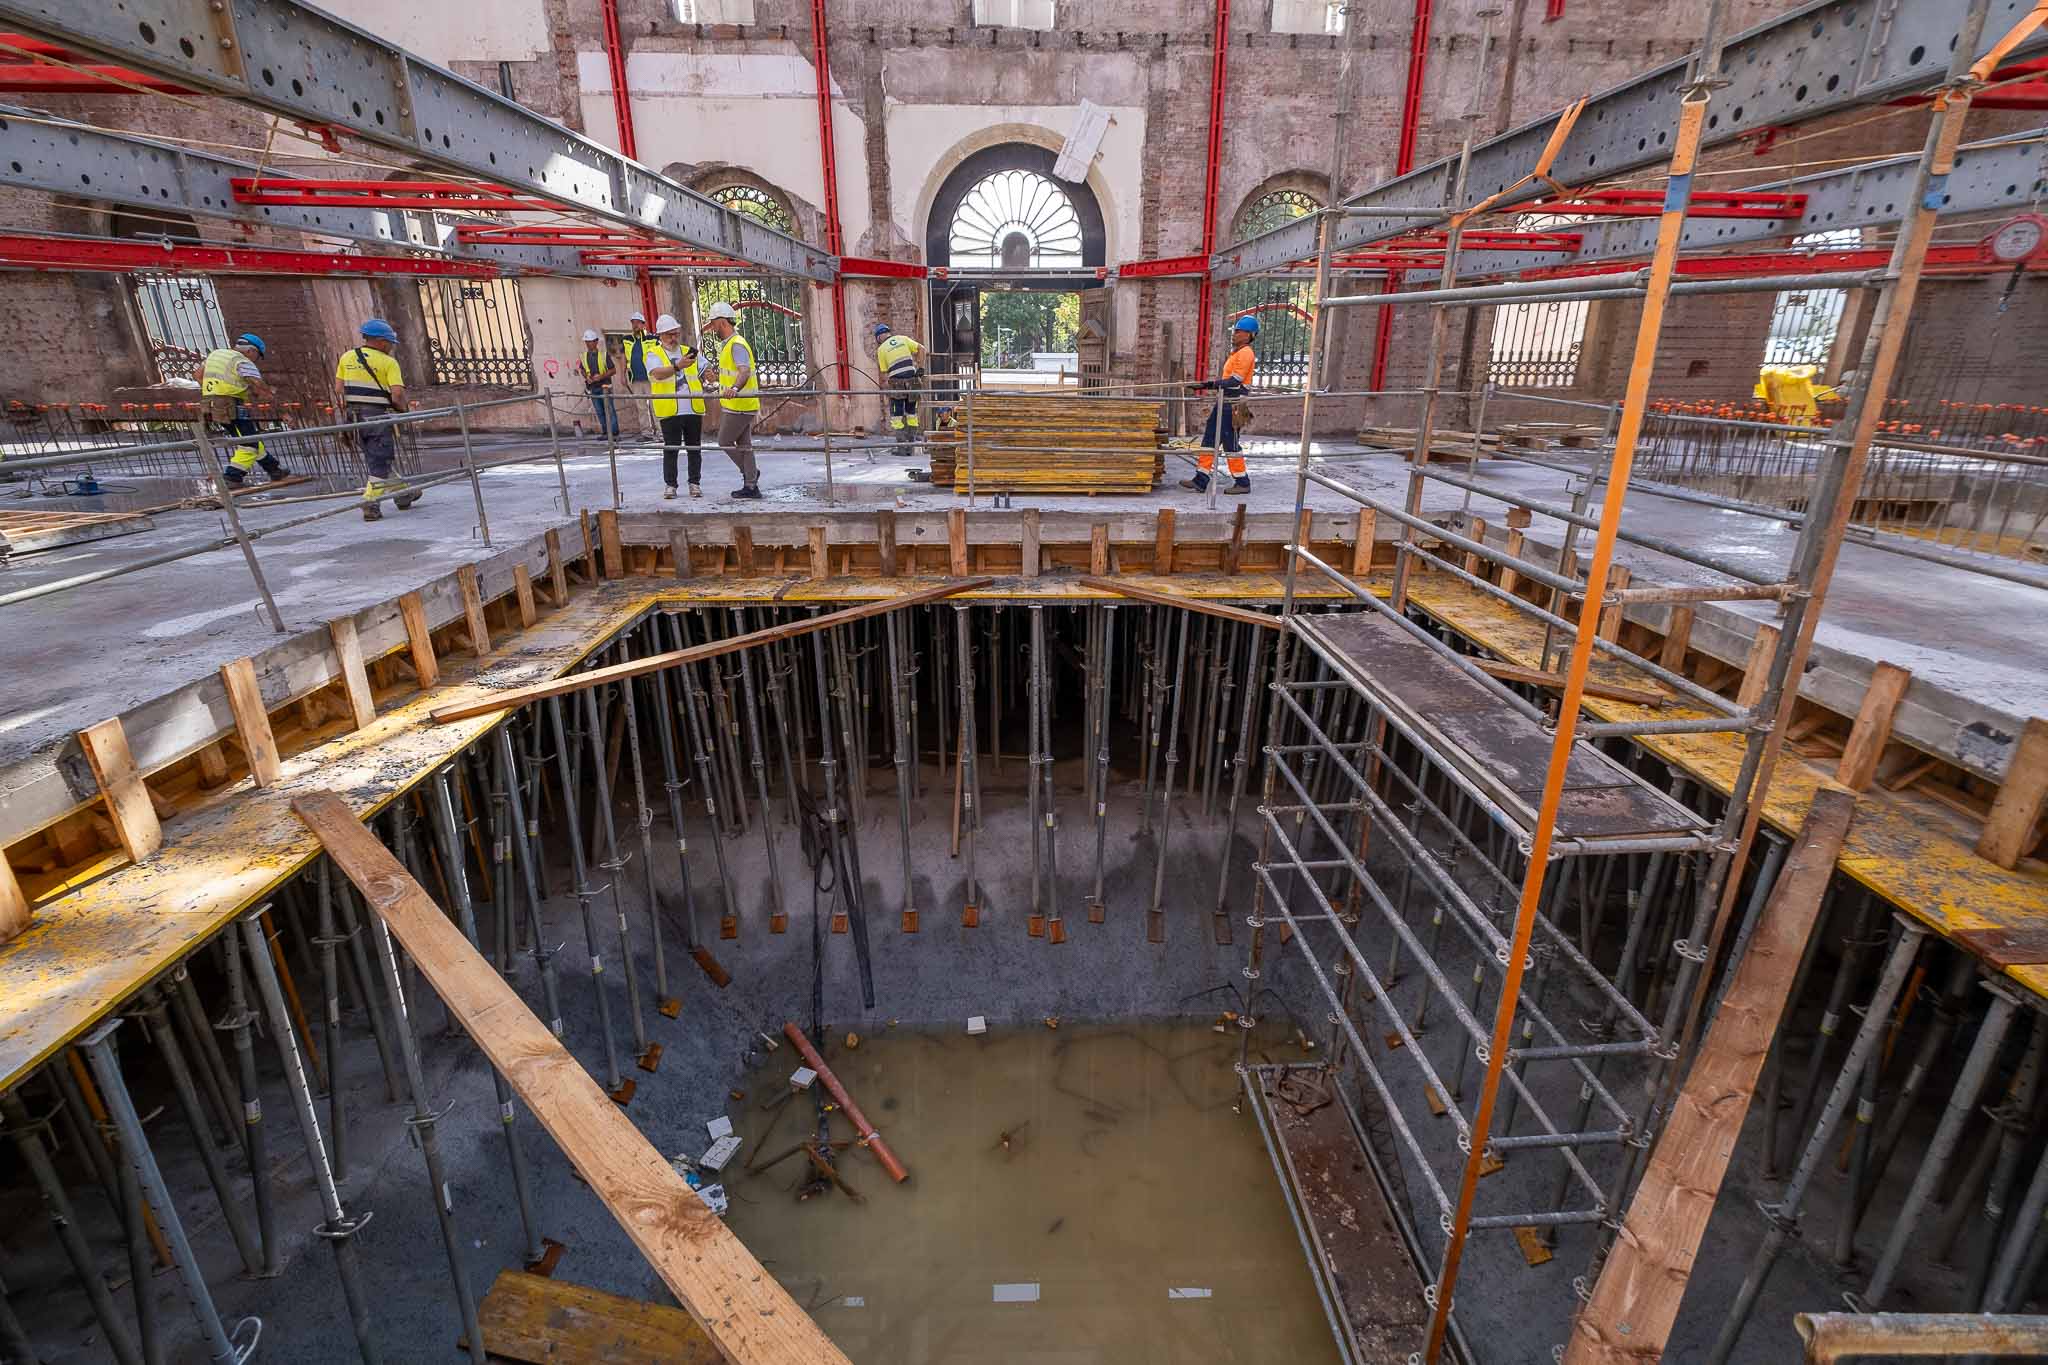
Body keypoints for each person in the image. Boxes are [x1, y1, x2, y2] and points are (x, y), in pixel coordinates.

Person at [335, 318, 414, 522]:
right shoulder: (388, 362)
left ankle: (404, 494)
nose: (390, 347)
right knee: (381, 460)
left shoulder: (346, 357)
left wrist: (343, 424)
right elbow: (397, 395)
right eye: (389, 343)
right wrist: (403, 412)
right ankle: (370, 502)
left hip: (353, 418)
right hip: (377, 417)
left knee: (376, 459)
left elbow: (338, 391)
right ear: (380, 341)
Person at [198, 332, 291, 486]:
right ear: (251, 351)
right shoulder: (242, 362)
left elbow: (198, 375)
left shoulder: (215, 355)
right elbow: (261, 388)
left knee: (249, 437)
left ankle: (273, 469)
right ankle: (232, 476)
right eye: (257, 355)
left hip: (210, 404)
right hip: (230, 406)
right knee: (248, 443)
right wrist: (283, 412)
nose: (256, 359)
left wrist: (217, 391)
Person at [1181, 315, 1259, 495]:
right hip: (1223, 402)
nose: (1235, 334)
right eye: (1235, 331)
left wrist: (1209, 384)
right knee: (1209, 439)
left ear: (1249, 335)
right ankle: (1200, 480)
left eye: (1239, 332)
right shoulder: (1236, 353)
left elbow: (1235, 381)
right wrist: (1209, 385)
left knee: (1230, 443)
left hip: (1233, 405)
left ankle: (1242, 481)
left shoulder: (1246, 353)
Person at [700, 301, 762, 499]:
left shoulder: (736, 344)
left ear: (722, 322)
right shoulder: (730, 345)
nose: (712, 328)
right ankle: (751, 485)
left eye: (713, 323)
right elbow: (733, 373)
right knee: (745, 445)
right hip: (738, 404)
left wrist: (735, 388)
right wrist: (717, 378)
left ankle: (750, 474)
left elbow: (744, 372)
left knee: (724, 441)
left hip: (740, 404)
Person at [645, 313, 706, 499]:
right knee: (671, 448)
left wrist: (710, 373)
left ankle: (695, 483)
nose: (673, 338)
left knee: (694, 448)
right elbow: (657, 374)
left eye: (675, 334)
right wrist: (678, 367)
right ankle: (670, 485)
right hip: (670, 409)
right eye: (669, 334)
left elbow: (704, 367)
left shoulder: (688, 351)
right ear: (660, 335)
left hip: (692, 407)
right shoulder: (653, 353)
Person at [873, 321, 925, 449]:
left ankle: (902, 447)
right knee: (911, 412)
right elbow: (922, 349)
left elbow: (885, 372)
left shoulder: (881, 349)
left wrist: (887, 388)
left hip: (897, 384)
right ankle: (911, 443)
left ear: (879, 337)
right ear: (888, 333)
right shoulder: (903, 338)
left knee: (897, 415)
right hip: (912, 381)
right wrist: (921, 368)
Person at [578, 328, 618, 438]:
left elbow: (613, 370)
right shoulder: (584, 356)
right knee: (600, 411)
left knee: (610, 410)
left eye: (590, 341)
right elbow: (582, 369)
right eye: (586, 342)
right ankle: (606, 432)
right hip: (593, 387)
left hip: (605, 386)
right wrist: (587, 377)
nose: (587, 344)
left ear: (596, 342)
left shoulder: (604, 355)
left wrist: (601, 376)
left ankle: (614, 433)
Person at [620, 310, 655, 437]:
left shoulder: (652, 339)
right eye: (633, 323)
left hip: (651, 378)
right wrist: (622, 375)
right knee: (641, 407)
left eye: (637, 323)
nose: (635, 325)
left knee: (655, 406)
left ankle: (662, 433)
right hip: (635, 378)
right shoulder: (627, 340)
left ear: (643, 324)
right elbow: (623, 357)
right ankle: (646, 433)